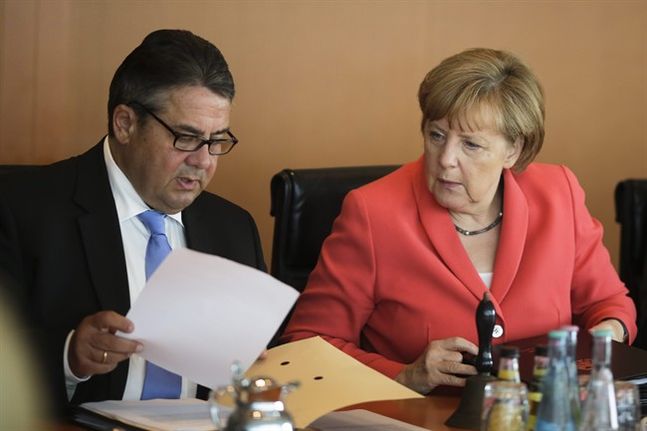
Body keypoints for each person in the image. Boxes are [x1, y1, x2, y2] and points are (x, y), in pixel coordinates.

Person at [281, 48, 637, 394]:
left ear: (513, 150)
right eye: (436, 135)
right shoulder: (372, 213)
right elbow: (307, 347)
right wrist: (405, 375)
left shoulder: (559, 194)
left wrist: (604, 341)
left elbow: (608, 303)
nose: (446, 158)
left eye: (470, 145)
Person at [0, 29, 266, 413]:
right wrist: (69, 355)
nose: (204, 161)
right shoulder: (24, 210)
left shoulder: (235, 228)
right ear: (125, 124)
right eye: (187, 138)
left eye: (217, 141)